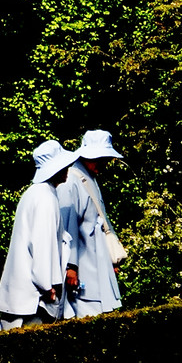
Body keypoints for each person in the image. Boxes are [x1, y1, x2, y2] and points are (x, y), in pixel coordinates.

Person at [0, 140, 78, 329]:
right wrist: (46, 285)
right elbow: (41, 244)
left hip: (23, 294)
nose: (67, 168)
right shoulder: (45, 198)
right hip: (34, 299)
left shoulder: (35, 193)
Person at [61, 129, 125, 318]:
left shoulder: (91, 179)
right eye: (97, 157)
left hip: (97, 260)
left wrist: (110, 257)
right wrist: (70, 266)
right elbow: (68, 227)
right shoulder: (71, 180)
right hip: (83, 266)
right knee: (87, 313)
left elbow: (102, 221)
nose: (102, 163)